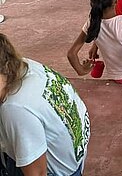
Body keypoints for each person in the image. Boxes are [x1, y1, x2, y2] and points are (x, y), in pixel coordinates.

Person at [0, 33, 90, 176]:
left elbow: (37, 173)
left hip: (56, 170)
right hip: (74, 156)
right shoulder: (20, 64)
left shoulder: (15, 108)